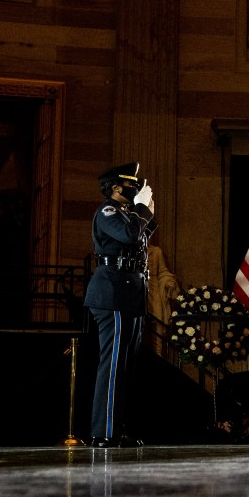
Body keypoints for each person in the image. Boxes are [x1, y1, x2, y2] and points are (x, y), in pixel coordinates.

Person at [84, 162, 156, 448]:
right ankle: (103, 431)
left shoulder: (126, 214)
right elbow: (128, 236)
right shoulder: (107, 211)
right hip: (112, 294)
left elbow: (138, 239)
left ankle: (116, 428)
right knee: (113, 365)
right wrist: (141, 212)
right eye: (130, 185)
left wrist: (144, 212)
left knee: (125, 366)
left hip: (129, 295)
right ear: (115, 188)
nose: (135, 189)